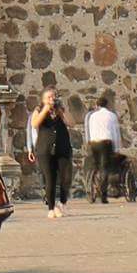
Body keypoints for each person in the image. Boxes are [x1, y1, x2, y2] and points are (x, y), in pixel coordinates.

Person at [26, 86, 73, 218]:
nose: (52, 99)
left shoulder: (60, 110)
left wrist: (63, 112)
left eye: (54, 96)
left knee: (66, 177)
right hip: (45, 150)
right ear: (43, 99)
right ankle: (51, 208)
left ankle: (62, 202)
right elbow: (34, 124)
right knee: (50, 179)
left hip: (62, 148)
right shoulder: (38, 110)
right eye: (49, 97)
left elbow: (72, 123)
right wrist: (45, 109)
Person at [84, 94, 122, 204]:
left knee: (96, 165)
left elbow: (89, 130)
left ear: (97, 105)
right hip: (106, 142)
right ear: (107, 105)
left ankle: (92, 184)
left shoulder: (92, 116)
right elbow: (115, 132)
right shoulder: (111, 116)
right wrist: (117, 148)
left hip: (94, 142)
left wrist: (89, 143)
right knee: (105, 168)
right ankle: (103, 194)